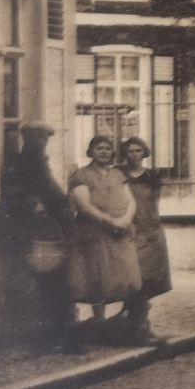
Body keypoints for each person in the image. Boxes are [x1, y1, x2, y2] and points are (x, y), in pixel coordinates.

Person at [1, 122, 78, 352]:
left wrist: (65, 203)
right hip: (38, 232)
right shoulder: (21, 164)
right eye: (36, 138)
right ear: (27, 139)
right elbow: (15, 192)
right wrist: (35, 203)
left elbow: (53, 190)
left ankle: (62, 335)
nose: (40, 142)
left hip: (55, 230)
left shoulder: (40, 163)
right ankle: (52, 337)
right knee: (48, 284)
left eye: (43, 139)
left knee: (60, 283)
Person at [67, 135, 142, 341]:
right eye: (99, 148)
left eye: (108, 149)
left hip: (120, 232)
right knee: (96, 275)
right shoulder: (80, 175)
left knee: (124, 275)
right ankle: (98, 322)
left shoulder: (118, 174)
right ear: (90, 151)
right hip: (93, 232)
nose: (104, 152)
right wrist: (111, 221)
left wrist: (125, 220)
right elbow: (84, 206)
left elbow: (131, 201)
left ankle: (122, 323)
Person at [119, 136, 171, 344]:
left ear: (144, 153)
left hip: (150, 231)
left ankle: (140, 324)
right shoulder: (119, 174)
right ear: (125, 154)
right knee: (133, 279)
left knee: (149, 280)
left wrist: (154, 228)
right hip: (129, 231)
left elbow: (154, 204)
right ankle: (136, 326)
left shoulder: (152, 176)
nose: (134, 155)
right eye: (130, 151)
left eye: (138, 151)